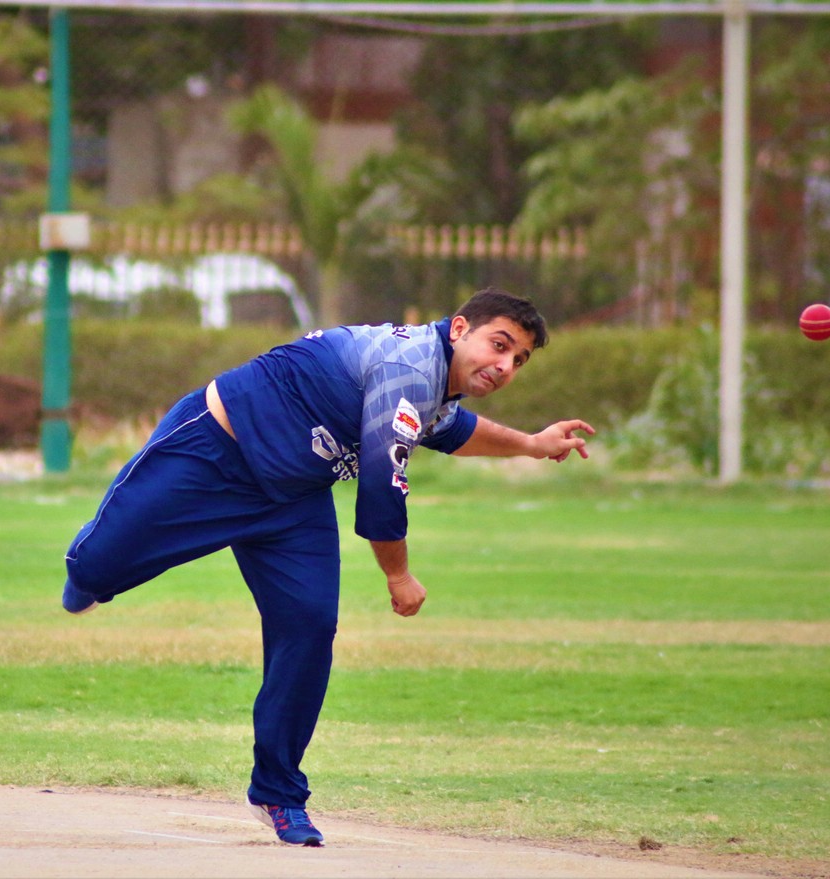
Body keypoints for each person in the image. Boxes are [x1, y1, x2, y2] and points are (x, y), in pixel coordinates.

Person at [61, 287, 594, 847]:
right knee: (96, 569)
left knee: (310, 627)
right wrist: (397, 576)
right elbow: (382, 486)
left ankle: (278, 792)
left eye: (519, 359)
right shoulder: (410, 367)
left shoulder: (435, 382)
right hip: (216, 450)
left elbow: (453, 430)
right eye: (500, 345)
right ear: (460, 329)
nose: (506, 365)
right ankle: (90, 571)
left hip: (293, 498)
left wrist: (531, 444)